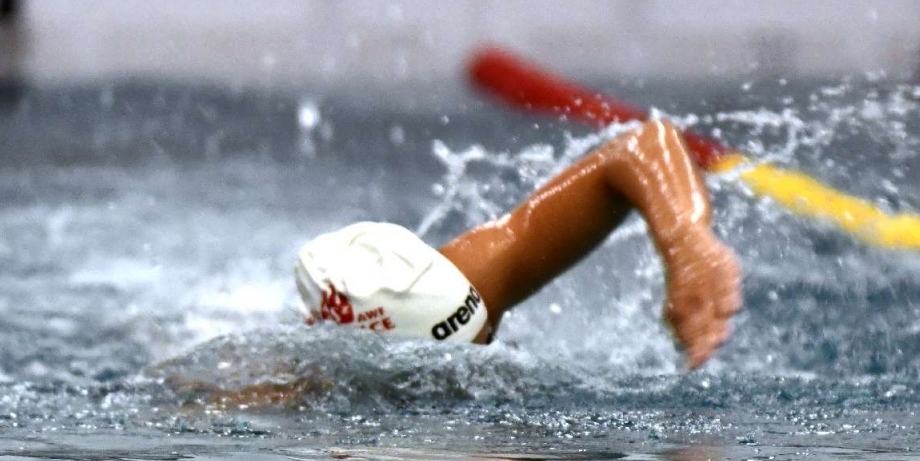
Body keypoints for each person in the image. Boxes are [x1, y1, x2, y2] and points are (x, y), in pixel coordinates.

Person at [295, 118, 742, 369]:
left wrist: (686, 242)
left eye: (481, 338)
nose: (482, 357)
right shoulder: (273, 397)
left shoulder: (467, 280)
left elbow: (643, 145)